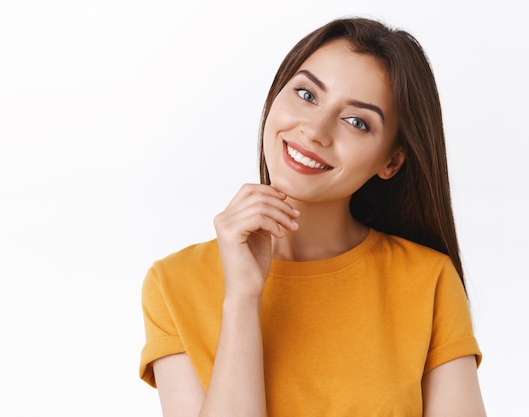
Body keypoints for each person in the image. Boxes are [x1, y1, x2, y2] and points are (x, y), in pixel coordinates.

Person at [138, 17, 487, 417]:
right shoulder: (173, 283)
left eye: (357, 122)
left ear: (390, 162)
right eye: (306, 94)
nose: (316, 131)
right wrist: (242, 299)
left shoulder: (429, 281)